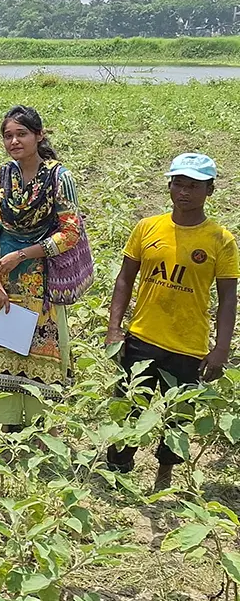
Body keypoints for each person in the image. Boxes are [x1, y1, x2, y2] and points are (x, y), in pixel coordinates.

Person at [105, 153, 237, 490]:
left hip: (188, 345)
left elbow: (227, 300)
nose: (185, 192)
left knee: (178, 418)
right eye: (179, 183)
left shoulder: (221, 240)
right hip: (141, 338)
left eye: (194, 185)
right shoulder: (148, 228)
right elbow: (124, 280)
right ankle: (118, 473)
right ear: (169, 185)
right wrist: (114, 328)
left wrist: (221, 348)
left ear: (210, 189)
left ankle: (164, 476)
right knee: (129, 408)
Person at [0, 105, 83, 428]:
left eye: (21, 134)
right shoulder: (3, 174)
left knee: (41, 352)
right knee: (5, 350)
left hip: (41, 279)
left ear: (39, 135)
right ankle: (8, 426)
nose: (14, 141)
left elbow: (70, 231)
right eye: (8, 135)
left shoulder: (58, 176)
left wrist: (24, 255)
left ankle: (40, 430)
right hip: (5, 279)